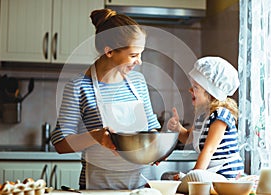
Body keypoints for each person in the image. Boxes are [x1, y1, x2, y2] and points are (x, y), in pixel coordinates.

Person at [50, 8, 160, 190]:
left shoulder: (138, 82)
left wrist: (156, 150)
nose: (139, 61)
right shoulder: (78, 86)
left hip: (142, 186)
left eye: (141, 54)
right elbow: (61, 144)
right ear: (109, 52)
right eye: (133, 55)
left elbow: (152, 128)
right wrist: (95, 136)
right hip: (98, 188)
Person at [167, 56, 244, 193]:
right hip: (211, 174)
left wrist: (193, 175)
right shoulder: (203, 116)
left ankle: (178, 184)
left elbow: (209, 150)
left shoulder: (221, 115)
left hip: (226, 176)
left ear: (211, 93)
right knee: (167, 176)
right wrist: (178, 128)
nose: (190, 90)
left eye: (195, 87)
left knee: (196, 176)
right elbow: (189, 138)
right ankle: (178, 183)